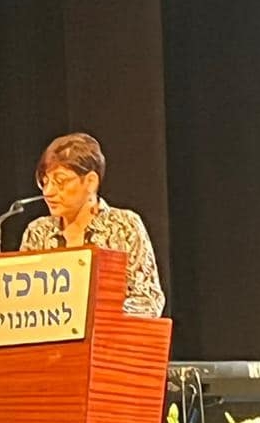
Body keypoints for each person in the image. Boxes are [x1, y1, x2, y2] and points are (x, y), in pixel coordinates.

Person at [17, 132, 165, 318]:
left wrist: (89, 316)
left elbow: (149, 300)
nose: (48, 192)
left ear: (90, 182)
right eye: (44, 182)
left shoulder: (124, 226)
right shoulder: (38, 232)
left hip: (110, 334)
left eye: (60, 181)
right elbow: (23, 302)